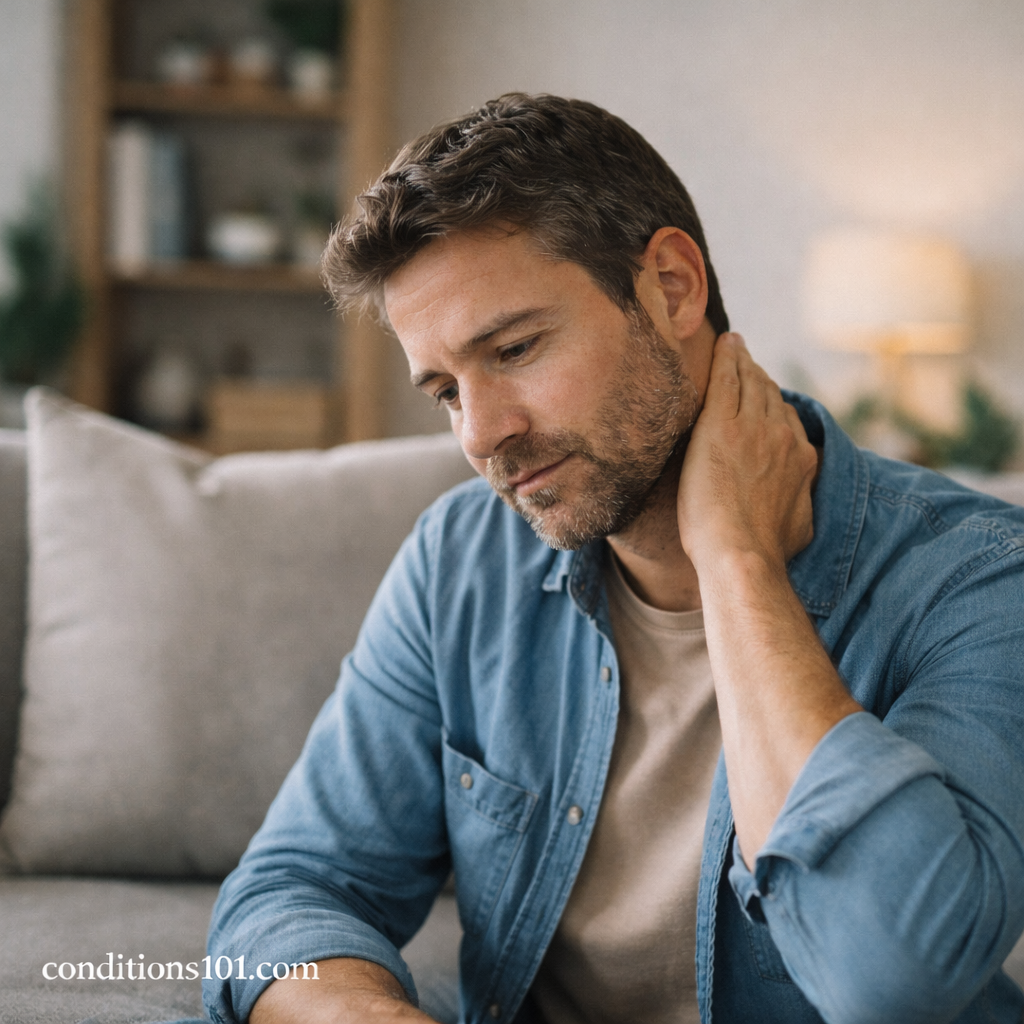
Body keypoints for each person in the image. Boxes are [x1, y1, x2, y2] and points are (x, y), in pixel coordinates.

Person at [204, 94, 1024, 1024]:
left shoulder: (980, 576)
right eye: (443, 391)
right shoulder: (460, 561)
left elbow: (894, 981)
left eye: (514, 348)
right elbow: (295, 888)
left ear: (672, 286)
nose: (482, 435)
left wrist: (737, 561)